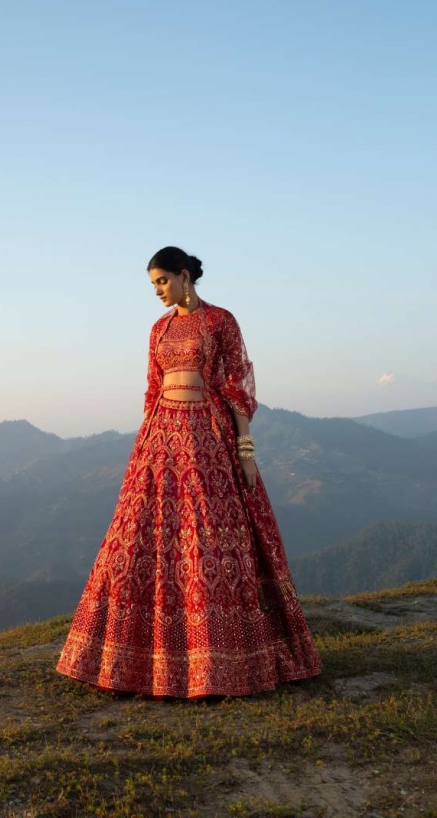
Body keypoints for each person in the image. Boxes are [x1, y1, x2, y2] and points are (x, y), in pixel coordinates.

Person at [55, 246, 323, 699]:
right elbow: (152, 388)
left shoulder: (221, 321)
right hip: (160, 439)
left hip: (208, 436)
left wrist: (245, 448)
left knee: (211, 539)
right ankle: (130, 660)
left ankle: (221, 662)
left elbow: (237, 383)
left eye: (162, 281)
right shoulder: (158, 330)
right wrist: (144, 444)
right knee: (142, 536)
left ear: (184, 276)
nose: (158, 292)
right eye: (153, 285)